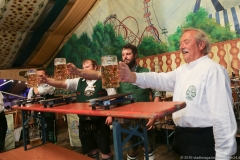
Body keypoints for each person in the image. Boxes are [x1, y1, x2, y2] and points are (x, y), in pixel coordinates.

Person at [117, 28, 237, 159]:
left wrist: (224, 154)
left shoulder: (213, 70)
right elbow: (160, 79)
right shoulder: (182, 70)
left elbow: (222, 116)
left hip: (203, 140)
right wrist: (133, 77)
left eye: (186, 42)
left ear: (201, 44)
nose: (181, 46)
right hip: (183, 138)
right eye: (180, 43)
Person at [67, 44, 160, 160]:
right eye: (123, 54)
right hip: (126, 118)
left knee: (149, 148)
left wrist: (154, 115)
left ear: (135, 55)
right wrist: (78, 71)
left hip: (146, 116)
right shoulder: (115, 74)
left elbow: (156, 93)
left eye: (128, 54)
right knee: (131, 150)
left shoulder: (145, 71)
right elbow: (97, 75)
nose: (125, 57)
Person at [38, 59, 115, 160]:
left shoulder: (104, 78)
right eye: (83, 67)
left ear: (95, 67)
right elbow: (61, 83)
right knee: (91, 151)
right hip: (84, 123)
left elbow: (113, 97)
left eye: (87, 67)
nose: (84, 70)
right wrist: (47, 81)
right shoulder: (78, 81)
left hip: (100, 122)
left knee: (105, 153)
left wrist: (110, 114)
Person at [27, 67, 57, 144]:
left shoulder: (49, 84)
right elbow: (29, 102)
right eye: (37, 76)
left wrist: (33, 84)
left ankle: (53, 152)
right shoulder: (32, 89)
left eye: (41, 75)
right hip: (37, 115)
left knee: (49, 137)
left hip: (48, 115)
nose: (39, 78)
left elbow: (38, 92)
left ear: (46, 76)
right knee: (40, 136)